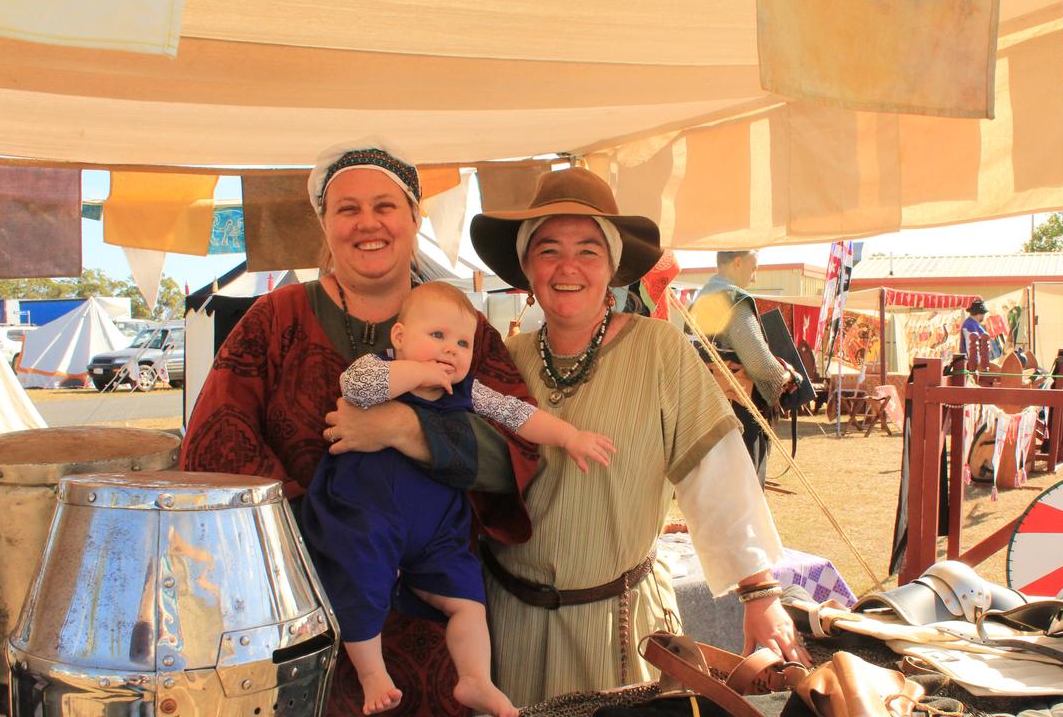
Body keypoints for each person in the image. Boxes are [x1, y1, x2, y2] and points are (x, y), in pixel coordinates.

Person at [180, 137, 539, 717]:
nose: (367, 223)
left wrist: (405, 430)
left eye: (385, 206)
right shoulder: (274, 321)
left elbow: (517, 451)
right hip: (300, 624)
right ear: (324, 223)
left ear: (415, 218)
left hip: (437, 631)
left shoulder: (462, 324)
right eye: (347, 209)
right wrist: (321, 541)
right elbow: (213, 446)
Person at [466, 167, 806, 706]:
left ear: (613, 266)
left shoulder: (659, 351)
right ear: (527, 268)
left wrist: (759, 592)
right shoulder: (506, 361)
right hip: (511, 626)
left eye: (588, 250)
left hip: (620, 630)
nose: (568, 267)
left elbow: (715, 470)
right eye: (548, 250)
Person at [303, 281, 615, 716]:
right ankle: (371, 674)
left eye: (463, 343)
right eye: (437, 337)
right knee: (359, 579)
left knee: (467, 600)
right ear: (399, 338)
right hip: (367, 512)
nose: (451, 351)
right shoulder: (379, 369)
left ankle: (475, 679)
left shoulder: (468, 389)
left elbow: (517, 414)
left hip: (435, 527)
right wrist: (419, 374)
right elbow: (355, 387)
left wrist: (569, 436)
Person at [688, 250, 798, 486]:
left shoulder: (699, 298)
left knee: (713, 499)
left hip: (705, 415)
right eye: (754, 268)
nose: (754, 276)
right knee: (741, 501)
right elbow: (763, 369)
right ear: (738, 262)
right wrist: (790, 375)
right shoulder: (732, 300)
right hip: (736, 417)